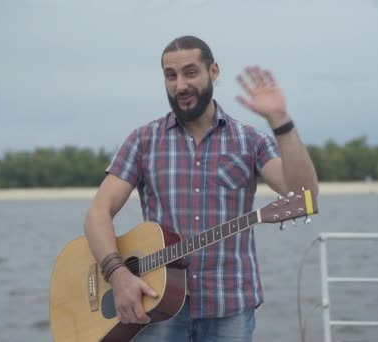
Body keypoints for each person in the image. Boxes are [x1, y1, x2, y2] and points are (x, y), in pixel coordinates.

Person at [84, 35, 318, 341]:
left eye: (190, 72)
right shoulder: (143, 140)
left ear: (214, 72)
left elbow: (304, 196)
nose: (180, 85)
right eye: (171, 76)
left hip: (230, 306)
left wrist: (280, 120)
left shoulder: (250, 141)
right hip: (157, 305)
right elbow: (97, 214)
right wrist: (119, 275)